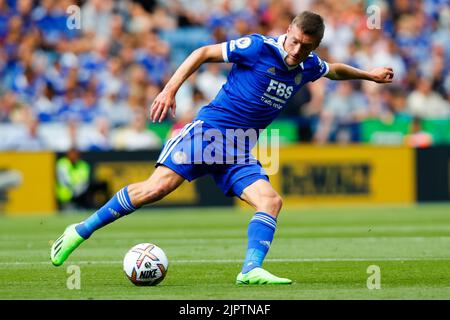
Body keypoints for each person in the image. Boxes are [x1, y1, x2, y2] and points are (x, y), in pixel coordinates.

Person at [51, 11, 393, 284]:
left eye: (305, 47)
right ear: (288, 29)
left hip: (240, 150)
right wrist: (169, 89)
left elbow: (334, 71)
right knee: (155, 190)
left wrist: (370, 75)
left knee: (271, 200)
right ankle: (78, 231)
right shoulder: (258, 47)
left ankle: (250, 270)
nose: (295, 51)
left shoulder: (309, 65)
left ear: (315, 45)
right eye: (293, 41)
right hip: (208, 133)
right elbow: (202, 53)